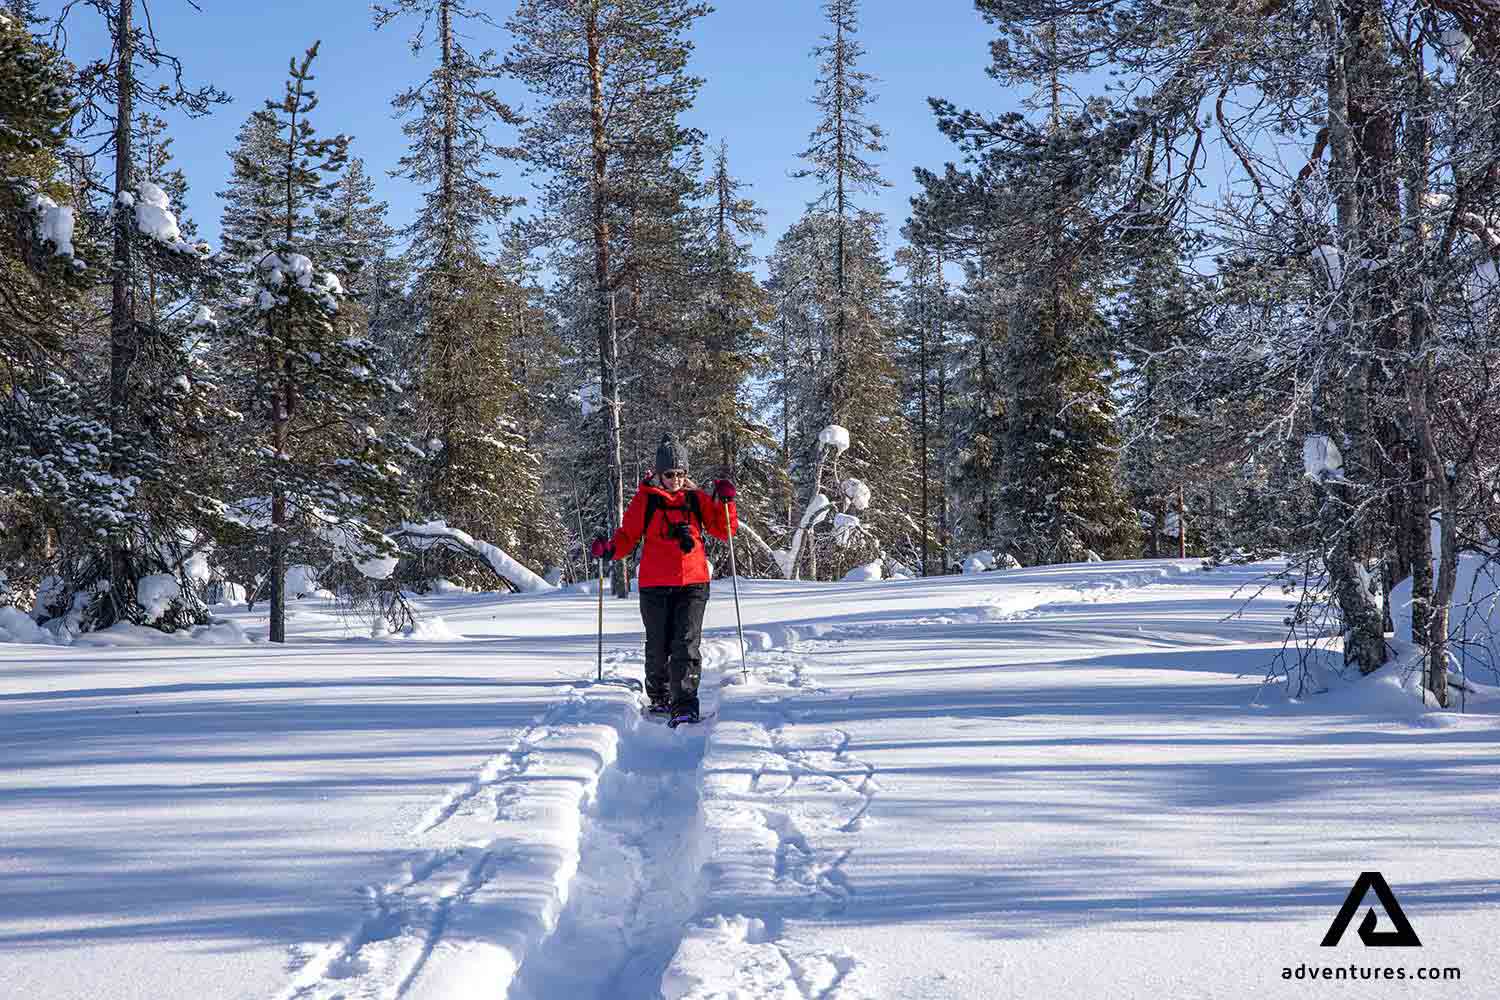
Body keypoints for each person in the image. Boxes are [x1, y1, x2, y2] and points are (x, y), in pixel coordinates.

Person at [590, 432, 737, 726]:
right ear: (659, 473)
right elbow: (628, 535)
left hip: (693, 582)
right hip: (654, 584)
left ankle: (684, 703)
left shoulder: (696, 499)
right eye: (670, 474)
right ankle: (659, 695)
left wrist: (725, 502)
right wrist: (609, 550)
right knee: (658, 644)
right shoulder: (646, 500)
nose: (676, 479)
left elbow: (724, 530)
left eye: (681, 473)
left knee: (685, 642)